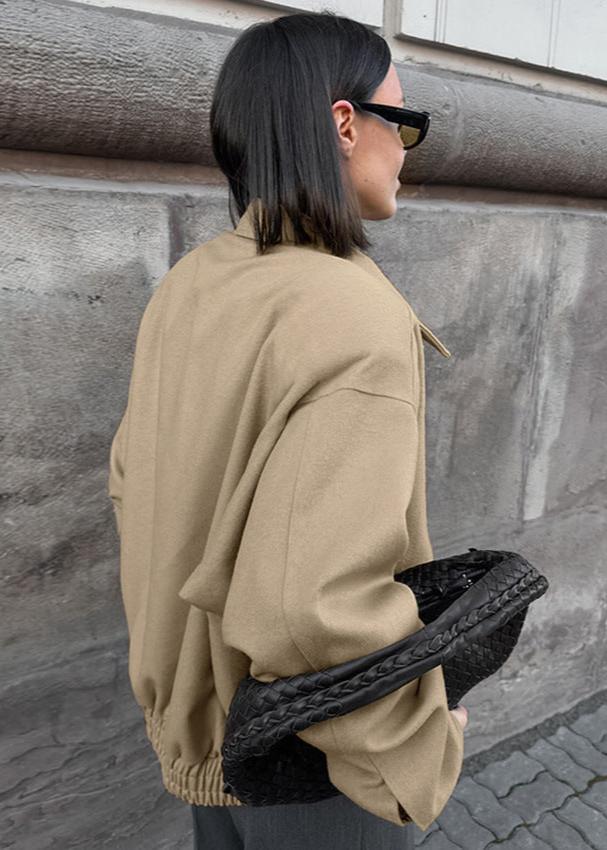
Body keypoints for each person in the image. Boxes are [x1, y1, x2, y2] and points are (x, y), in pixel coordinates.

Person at [108, 10, 468, 850]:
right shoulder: (351, 312)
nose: (405, 149)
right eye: (402, 121)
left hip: (207, 737)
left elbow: (132, 488)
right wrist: (420, 740)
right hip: (317, 761)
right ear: (344, 123)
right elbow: (315, 611)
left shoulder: (192, 283)